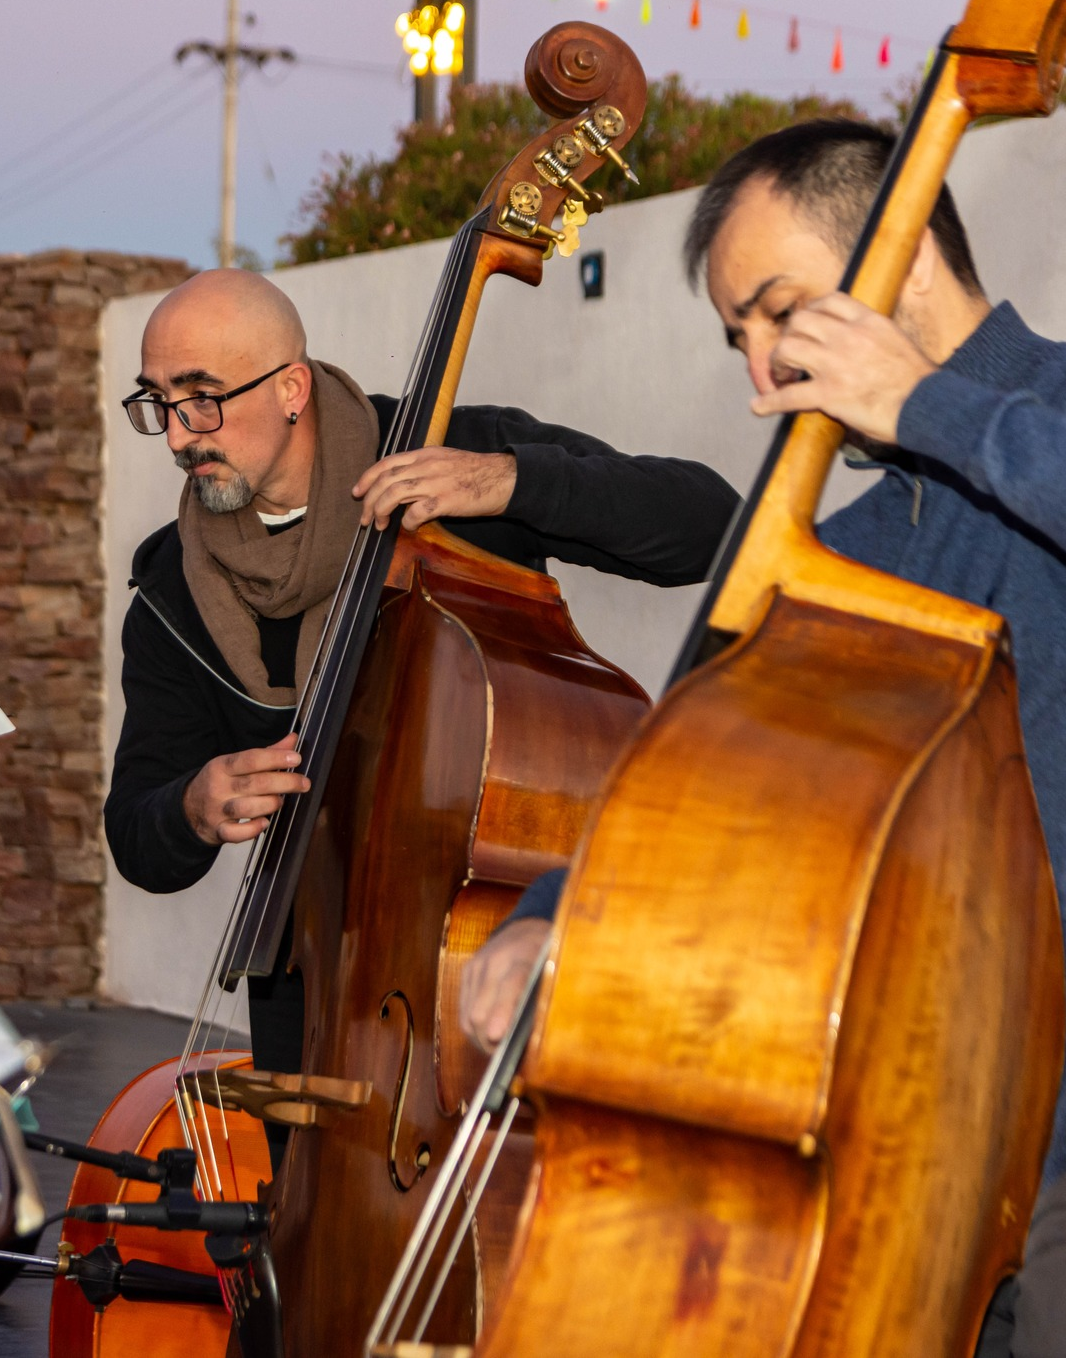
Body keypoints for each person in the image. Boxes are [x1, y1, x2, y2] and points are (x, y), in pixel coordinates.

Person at [460, 119, 1066, 1358]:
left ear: (903, 254)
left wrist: (922, 404)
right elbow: (710, 793)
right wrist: (551, 916)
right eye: (738, 340)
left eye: (779, 313)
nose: (762, 378)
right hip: (924, 1161)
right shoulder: (842, 555)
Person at [105, 267, 738, 1083]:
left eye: (202, 398)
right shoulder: (172, 589)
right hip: (312, 1004)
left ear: (292, 388)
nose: (177, 437)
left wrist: (511, 481)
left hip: (495, 975)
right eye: (158, 402)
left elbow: (714, 527)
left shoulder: (451, 453)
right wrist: (192, 805)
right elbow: (137, 833)